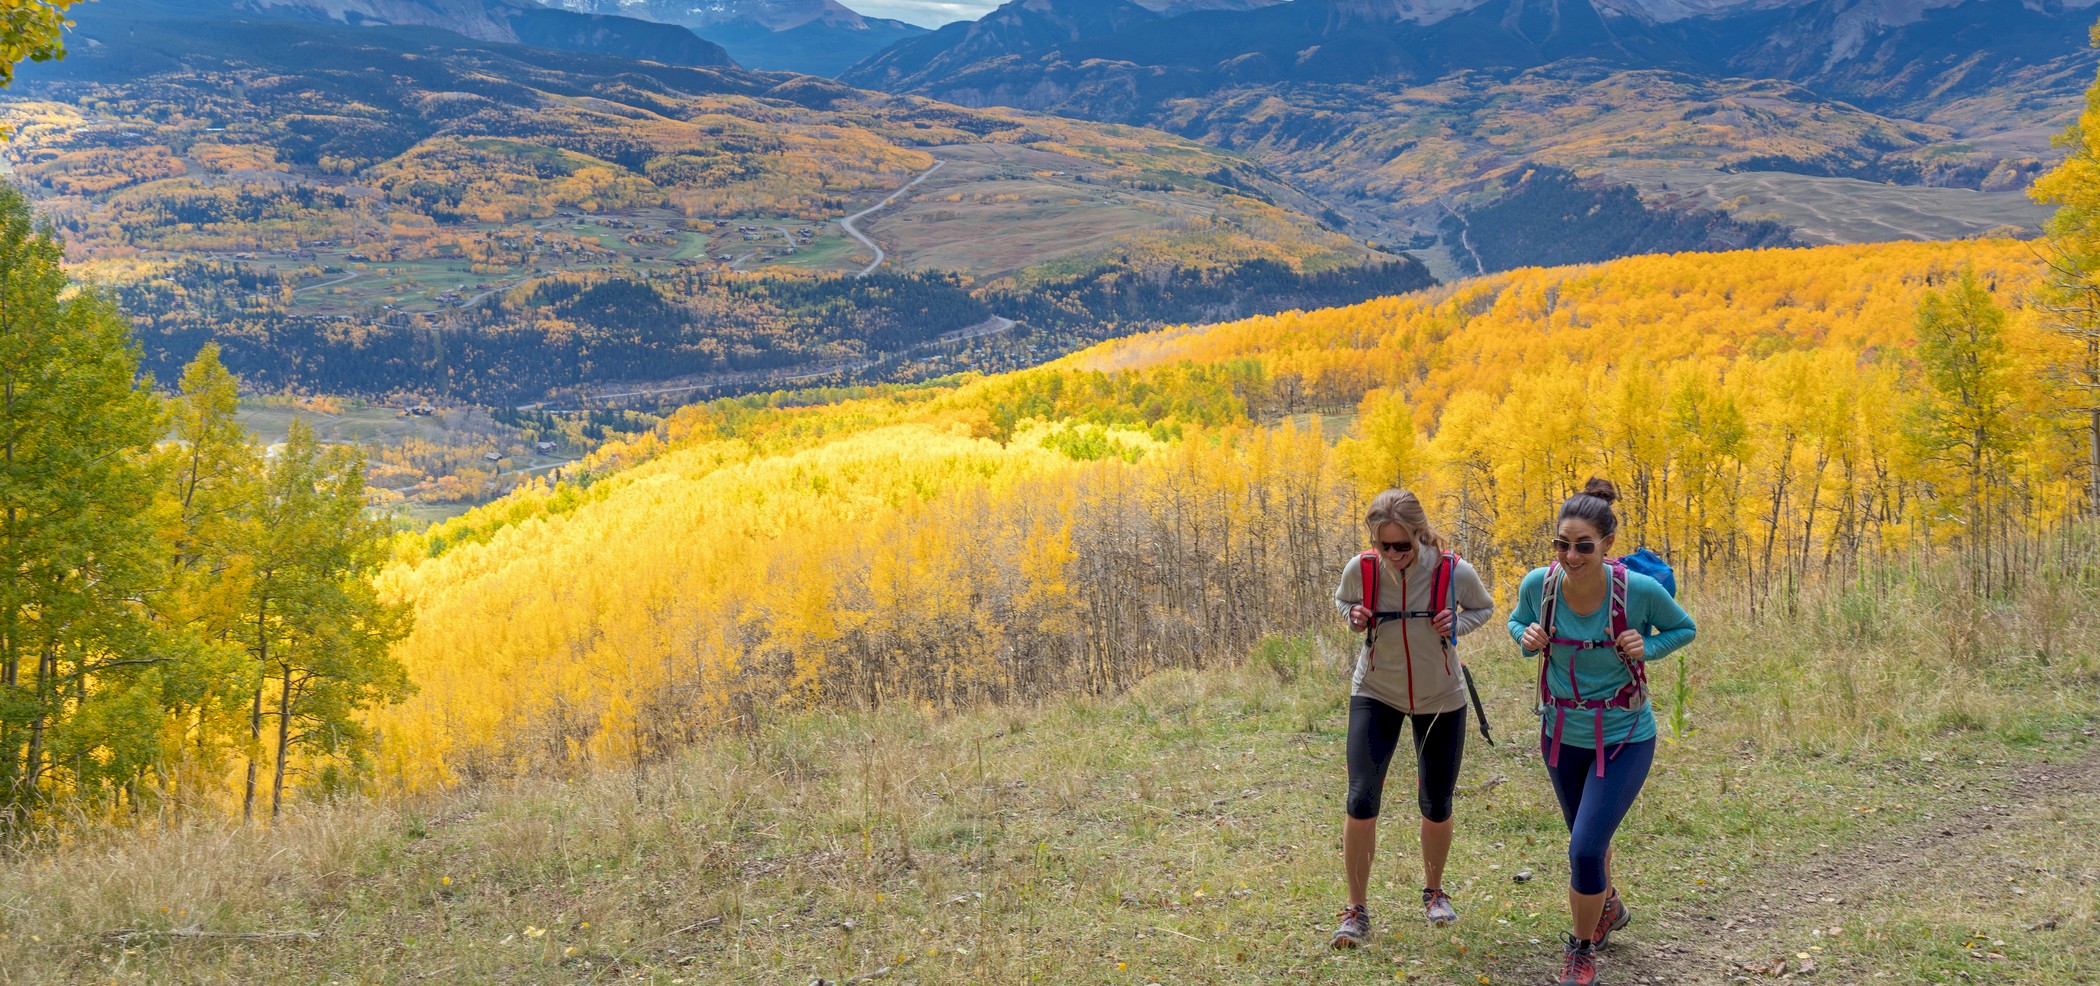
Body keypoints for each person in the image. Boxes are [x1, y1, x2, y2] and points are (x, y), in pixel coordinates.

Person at [1507, 478, 1697, 986]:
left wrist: (1647, 647)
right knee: (1585, 839)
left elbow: (1684, 628)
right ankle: (1606, 905)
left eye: (1583, 546)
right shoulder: (1538, 586)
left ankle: (1582, 948)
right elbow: (1517, 622)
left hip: (1625, 735)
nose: (1571, 555)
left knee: (1586, 848)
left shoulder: (1638, 591)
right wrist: (1526, 637)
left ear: (1607, 545)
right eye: (1562, 544)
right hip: (1560, 734)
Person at [1328, 489, 1496, 948]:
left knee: (1436, 801)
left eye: (1403, 545)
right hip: (1375, 690)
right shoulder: (1360, 569)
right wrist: (1355, 616)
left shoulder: (1451, 570)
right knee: (1361, 798)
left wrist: (1455, 626)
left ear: (1420, 534)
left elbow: (1484, 607)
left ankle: (1434, 892)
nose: (1394, 554)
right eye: (1384, 545)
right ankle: (1356, 909)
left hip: (1441, 695)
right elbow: (1342, 602)